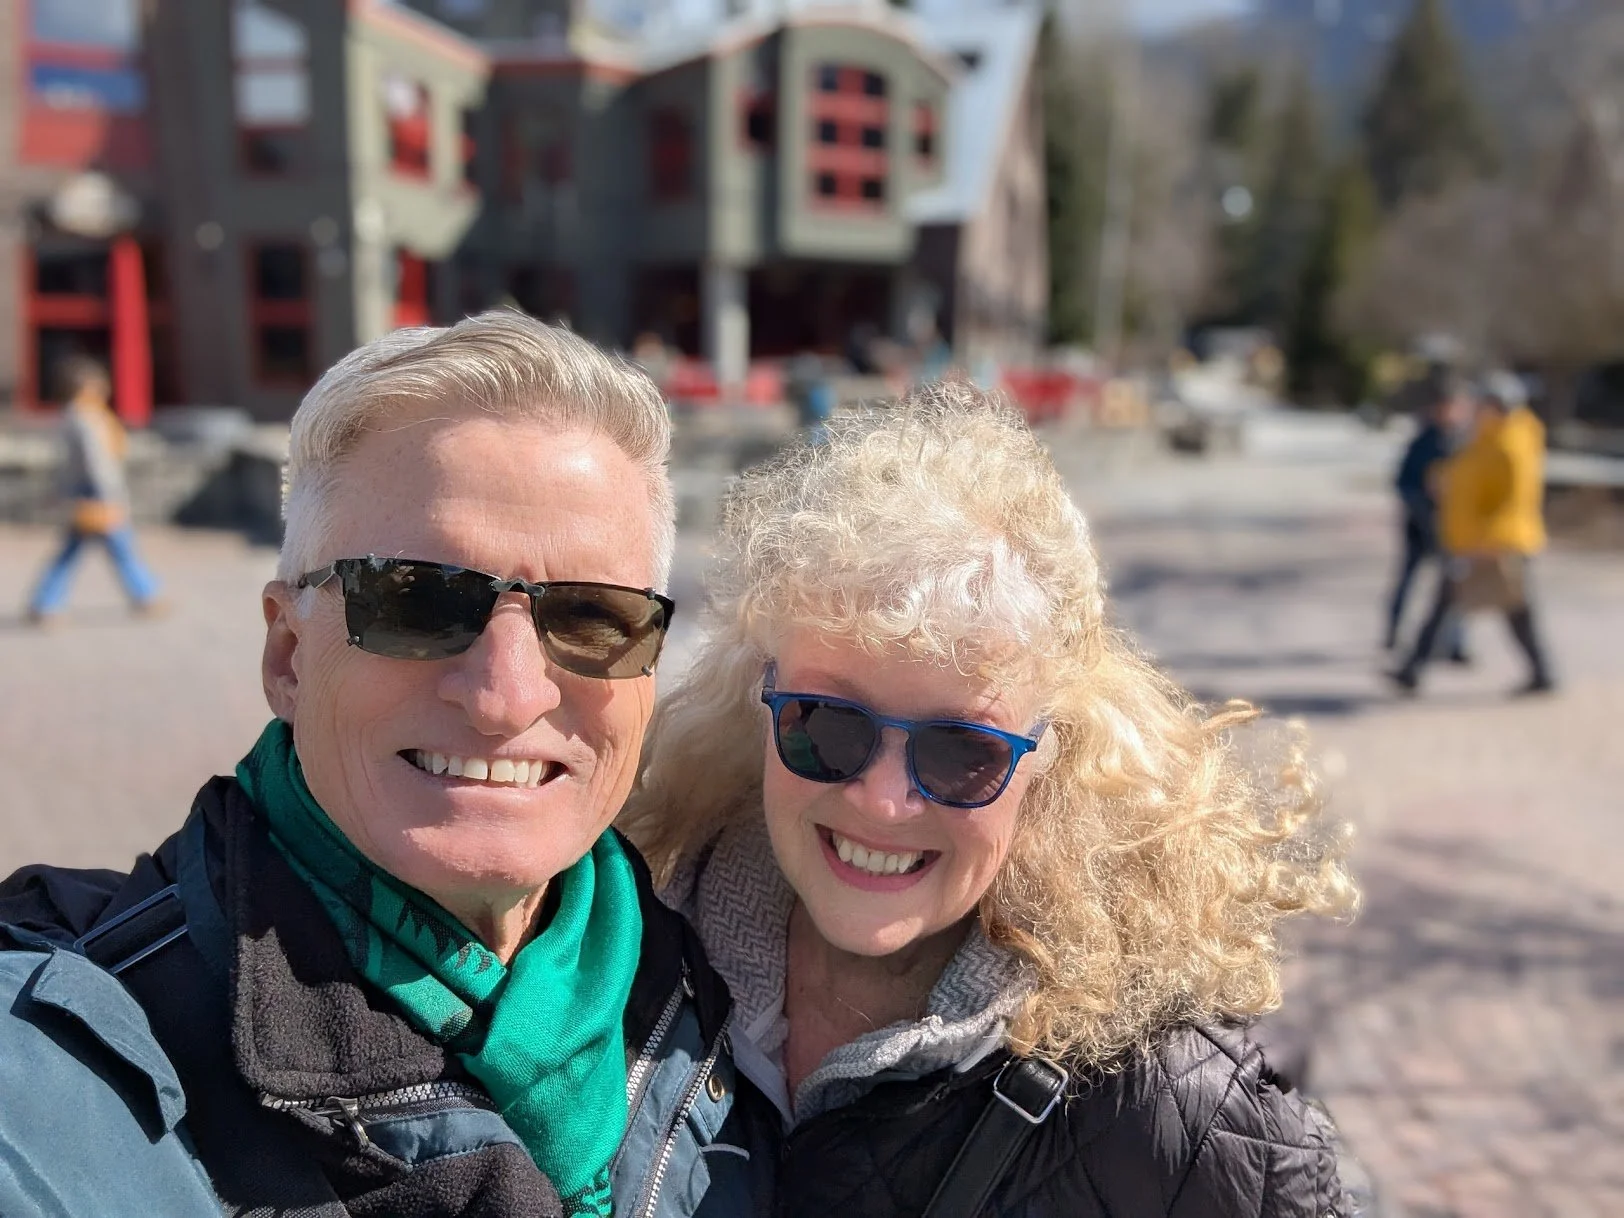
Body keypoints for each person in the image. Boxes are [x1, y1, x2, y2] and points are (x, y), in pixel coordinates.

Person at [0, 312, 773, 1217]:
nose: (506, 695)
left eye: (592, 617)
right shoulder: (59, 1064)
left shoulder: (755, 1008)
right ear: (289, 654)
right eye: (416, 601)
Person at [619, 383, 1361, 1217]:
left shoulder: (1176, 1122)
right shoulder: (620, 959)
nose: (884, 801)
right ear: (758, 703)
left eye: (961, 749)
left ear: (1053, 756)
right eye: (827, 723)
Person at [1390, 371, 1556, 696]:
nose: (1477, 409)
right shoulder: (1486, 437)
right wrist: (1442, 478)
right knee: (1460, 605)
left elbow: (1513, 500)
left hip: (1496, 543)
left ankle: (1413, 669)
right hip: (1473, 540)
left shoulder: (1512, 443)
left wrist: (1491, 540)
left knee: (1511, 609)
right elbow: (1468, 473)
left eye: (1483, 404)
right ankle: (1412, 669)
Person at [25, 355, 163, 624]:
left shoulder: (72, 414)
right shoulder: (86, 415)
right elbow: (96, 461)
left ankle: (45, 603)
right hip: (96, 495)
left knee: (75, 552)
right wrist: (111, 495)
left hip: (83, 494)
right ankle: (146, 595)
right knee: (120, 549)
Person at [1385, 376, 1471, 658]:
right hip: (1420, 527)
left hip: (1452, 529)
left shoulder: (1463, 443)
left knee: (1455, 588)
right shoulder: (1423, 442)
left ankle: (1456, 644)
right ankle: (1393, 633)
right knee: (1408, 582)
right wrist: (1424, 506)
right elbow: (1403, 484)